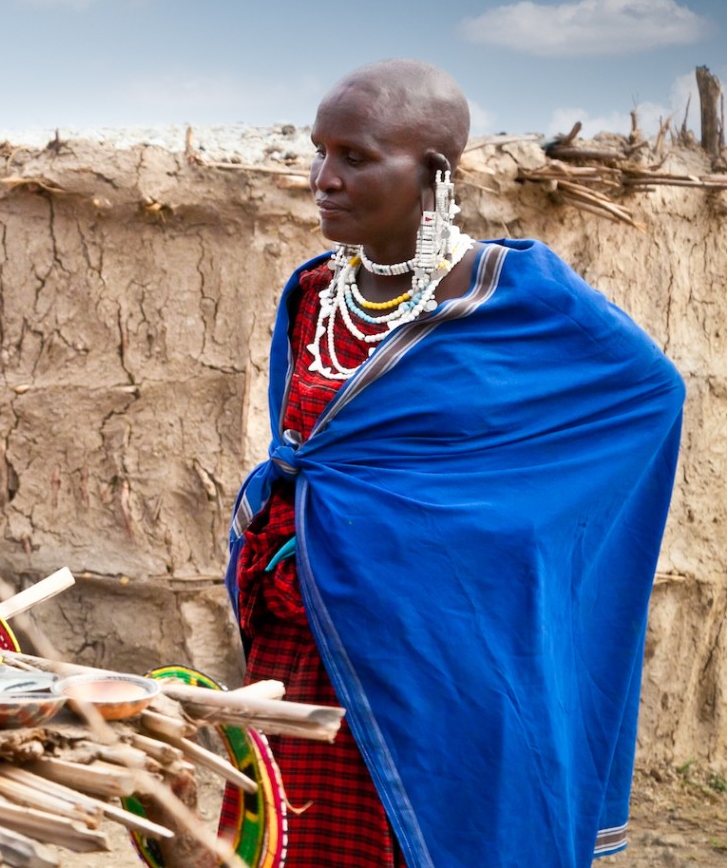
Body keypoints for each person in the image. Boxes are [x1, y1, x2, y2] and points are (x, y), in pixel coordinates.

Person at [227, 59, 683, 866]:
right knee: (291, 839)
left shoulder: (514, 297)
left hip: (440, 650)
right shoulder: (310, 294)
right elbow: (321, 459)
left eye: (356, 157)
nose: (323, 179)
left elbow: (648, 394)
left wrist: (482, 535)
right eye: (318, 151)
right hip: (303, 642)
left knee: (422, 833)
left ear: (432, 174)